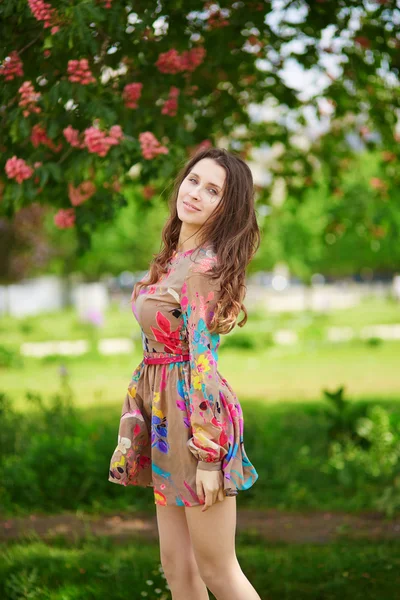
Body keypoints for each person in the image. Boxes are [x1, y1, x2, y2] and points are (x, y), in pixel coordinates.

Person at [108, 146, 262, 600]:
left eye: (212, 190)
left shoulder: (205, 267)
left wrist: (209, 456)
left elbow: (202, 361)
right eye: (193, 180)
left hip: (198, 424)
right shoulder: (175, 258)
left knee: (218, 570)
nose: (195, 193)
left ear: (226, 208)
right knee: (177, 568)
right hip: (164, 420)